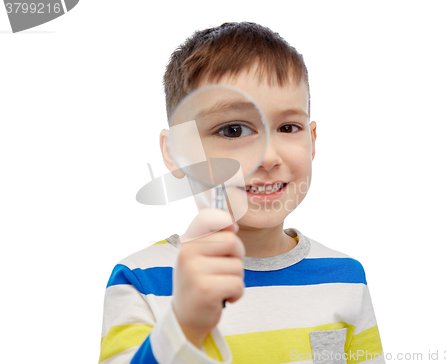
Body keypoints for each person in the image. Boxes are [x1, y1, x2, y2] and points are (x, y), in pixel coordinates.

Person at [99, 22, 385, 364]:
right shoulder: (142, 280)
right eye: (233, 130)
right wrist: (183, 325)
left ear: (312, 142)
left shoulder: (346, 276)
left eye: (288, 127)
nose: (268, 157)